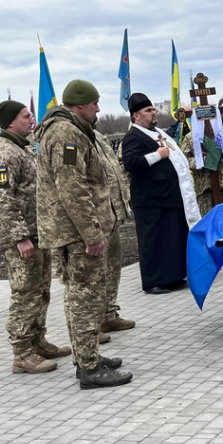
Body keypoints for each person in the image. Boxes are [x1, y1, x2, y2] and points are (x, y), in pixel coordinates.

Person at [34, 80, 131, 389]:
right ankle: (89, 368)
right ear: (78, 106)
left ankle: (87, 357)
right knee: (84, 298)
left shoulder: (72, 130)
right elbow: (72, 189)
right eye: (94, 103)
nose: (98, 108)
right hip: (76, 234)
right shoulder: (65, 135)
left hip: (74, 231)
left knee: (85, 296)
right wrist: (92, 234)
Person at [0, 100, 70, 373]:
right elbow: (1, 199)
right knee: (25, 294)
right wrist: (20, 237)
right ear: (10, 122)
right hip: (23, 238)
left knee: (41, 291)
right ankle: (21, 352)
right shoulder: (2, 154)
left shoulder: (23, 147)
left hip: (39, 231)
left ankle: (37, 341)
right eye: (25, 115)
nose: (31, 118)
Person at [122, 94, 201, 294]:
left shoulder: (158, 132)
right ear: (136, 116)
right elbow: (131, 163)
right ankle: (154, 281)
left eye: (153, 109)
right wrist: (158, 155)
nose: (153, 112)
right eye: (148, 111)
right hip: (151, 201)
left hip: (169, 198)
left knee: (172, 238)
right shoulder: (133, 137)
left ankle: (172, 276)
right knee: (154, 240)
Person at [92, 121, 136, 335]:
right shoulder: (74, 138)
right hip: (95, 218)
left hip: (112, 214)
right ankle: (93, 322)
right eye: (93, 104)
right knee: (96, 272)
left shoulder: (98, 136)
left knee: (112, 267)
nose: (98, 110)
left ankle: (108, 314)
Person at [180, 112, 223, 217]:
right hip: (204, 187)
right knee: (208, 219)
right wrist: (200, 161)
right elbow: (183, 160)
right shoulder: (190, 137)